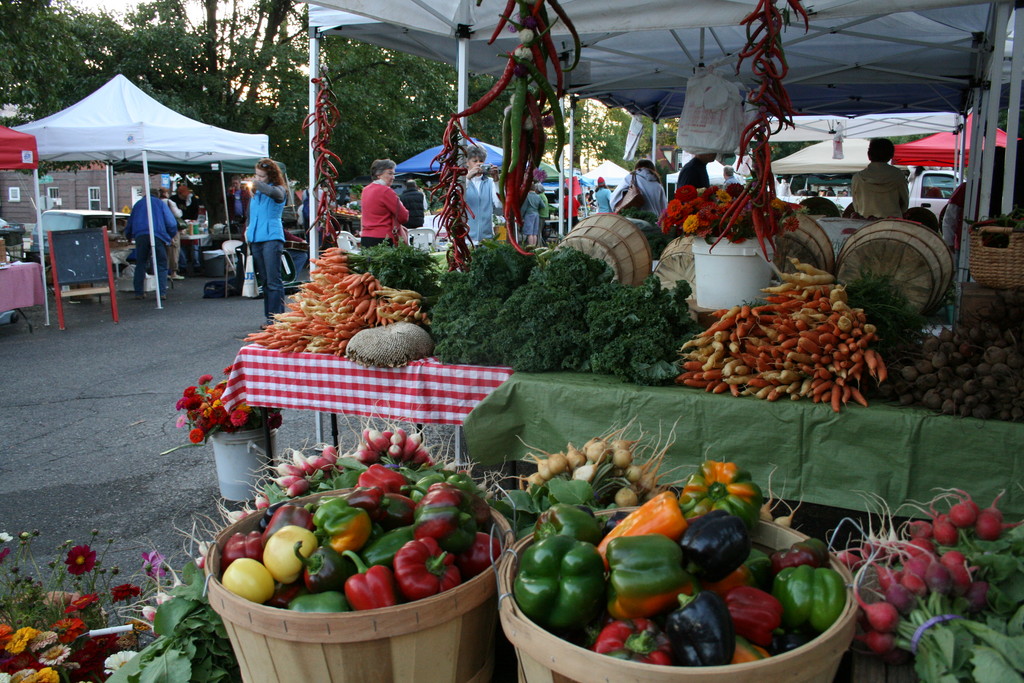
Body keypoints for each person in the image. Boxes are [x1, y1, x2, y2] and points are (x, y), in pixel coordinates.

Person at [245, 158, 288, 326]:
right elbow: (250, 215)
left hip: (272, 237)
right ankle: (269, 316)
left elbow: (276, 194)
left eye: (262, 176)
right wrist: (247, 231)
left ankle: (277, 318)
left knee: (273, 280)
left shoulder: (279, 190)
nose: (258, 179)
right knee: (264, 281)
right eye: (256, 176)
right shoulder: (255, 194)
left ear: (270, 176)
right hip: (256, 238)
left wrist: (257, 184)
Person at [125, 189, 178, 300]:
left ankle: (139, 292)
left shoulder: (138, 204)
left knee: (141, 263)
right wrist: (170, 236)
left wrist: (128, 236)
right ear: (158, 196)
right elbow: (171, 222)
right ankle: (161, 292)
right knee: (161, 264)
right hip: (158, 235)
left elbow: (129, 223)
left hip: (140, 236)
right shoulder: (160, 204)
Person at [851, 138, 909, 219]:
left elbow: (856, 206)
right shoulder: (898, 175)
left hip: (865, 225)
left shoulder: (857, 178)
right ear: (891, 155)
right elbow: (904, 204)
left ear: (869, 154)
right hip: (893, 225)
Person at [360, 158, 409, 247]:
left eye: (393, 174)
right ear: (378, 174)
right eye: (390, 173)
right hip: (383, 239)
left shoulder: (366, 190)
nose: (393, 177)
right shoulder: (386, 191)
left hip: (366, 237)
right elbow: (404, 216)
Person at [464, 145, 502, 242]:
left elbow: (499, 205)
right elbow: (454, 200)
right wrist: (467, 178)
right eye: (475, 161)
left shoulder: (490, 182)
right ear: (467, 162)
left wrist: (496, 180)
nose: (478, 164)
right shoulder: (461, 181)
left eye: (481, 161)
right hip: (465, 238)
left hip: (486, 239)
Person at [159, 187, 185, 280]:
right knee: (174, 250)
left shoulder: (156, 203)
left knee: (163, 252)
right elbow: (178, 214)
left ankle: (164, 272)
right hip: (172, 230)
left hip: (160, 230)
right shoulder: (170, 202)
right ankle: (174, 272)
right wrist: (181, 211)